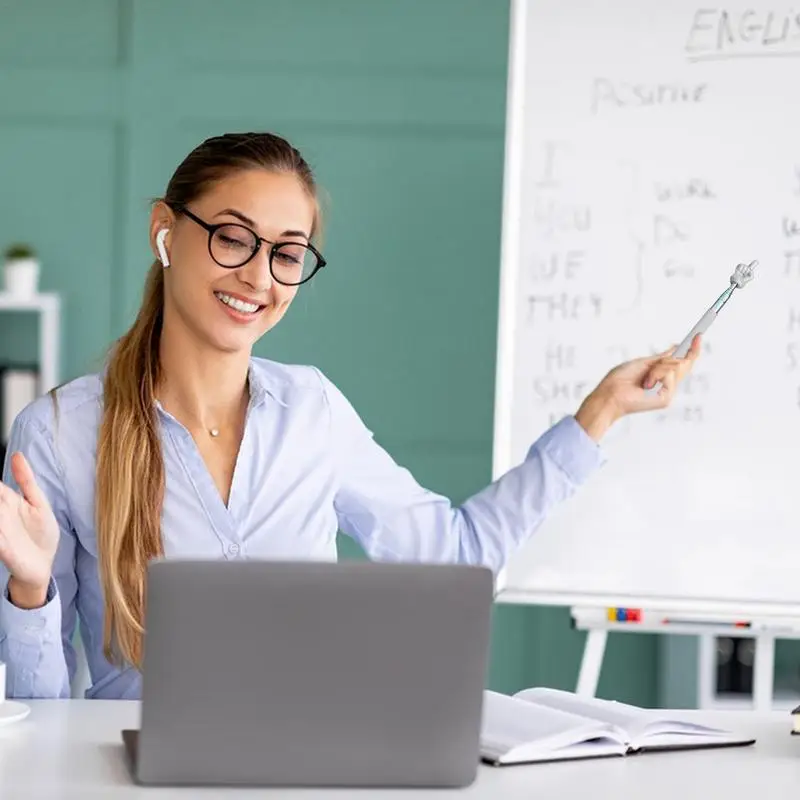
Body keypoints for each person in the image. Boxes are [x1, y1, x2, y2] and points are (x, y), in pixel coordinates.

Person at [0, 132, 700, 700]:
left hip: (309, 770)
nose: (258, 277)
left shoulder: (314, 412)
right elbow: (40, 715)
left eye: (287, 254)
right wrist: (29, 589)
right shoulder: (60, 433)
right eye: (233, 238)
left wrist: (599, 414)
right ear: (165, 232)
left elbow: (452, 557)